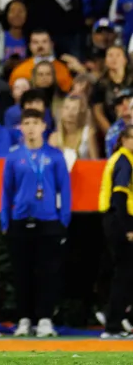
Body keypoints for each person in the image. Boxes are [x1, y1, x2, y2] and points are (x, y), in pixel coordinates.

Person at [1, 108, 71, 338]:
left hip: (49, 221)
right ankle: (24, 319)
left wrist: (64, 221)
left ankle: (45, 319)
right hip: (20, 221)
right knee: (22, 274)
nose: (31, 127)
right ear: (20, 127)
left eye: (35, 122)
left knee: (48, 274)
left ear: (44, 126)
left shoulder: (55, 156)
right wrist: (5, 221)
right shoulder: (13, 157)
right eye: (27, 122)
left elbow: (65, 191)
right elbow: (6, 192)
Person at [98, 125, 133, 338]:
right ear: (124, 139)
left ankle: (118, 318)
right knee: (125, 274)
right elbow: (119, 199)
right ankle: (114, 323)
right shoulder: (124, 161)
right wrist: (128, 228)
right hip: (120, 221)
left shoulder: (123, 159)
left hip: (116, 220)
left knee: (125, 273)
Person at [8, 30, 73, 93]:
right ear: (30, 46)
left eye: (44, 42)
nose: (40, 45)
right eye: (35, 42)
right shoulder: (20, 71)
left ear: (52, 44)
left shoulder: (63, 69)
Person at [49, 95, 99, 162]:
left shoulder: (88, 133)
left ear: (80, 112)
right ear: (61, 111)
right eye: (67, 108)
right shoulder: (54, 137)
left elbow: (95, 163)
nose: (70, 113)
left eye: (74, 109)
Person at [105, 88, 133, 157]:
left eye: (128, 99)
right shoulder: (113, 132)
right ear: (115, 109)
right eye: (119, 102)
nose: (124, 104)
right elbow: (111, 158)